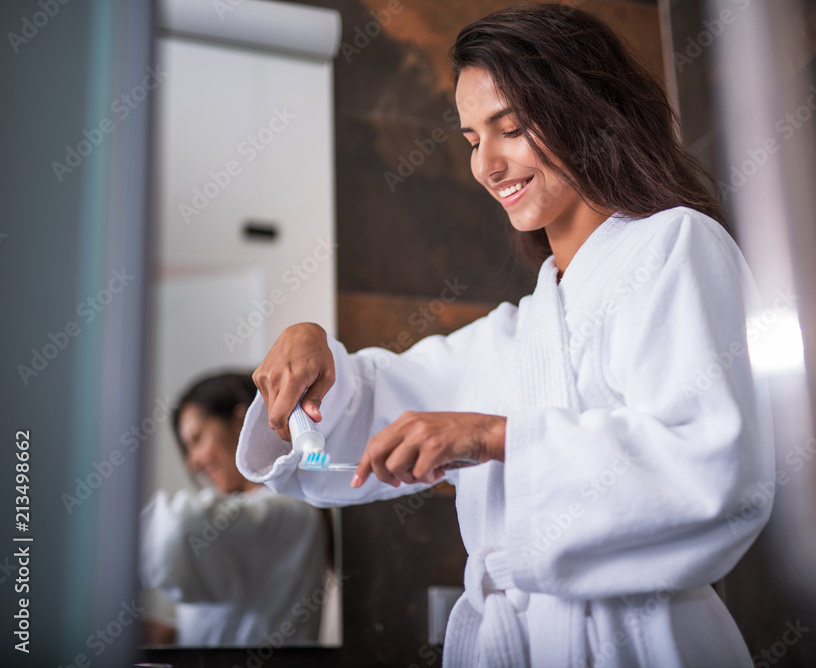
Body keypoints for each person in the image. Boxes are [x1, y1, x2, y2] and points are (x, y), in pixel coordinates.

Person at [236, 4, 774, 666]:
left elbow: (713, 466)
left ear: (588, 111)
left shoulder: (677, 246)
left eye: (510, 129)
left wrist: (493, 437)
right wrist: (312, 357)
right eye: (470, 140)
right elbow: (359, 427)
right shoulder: (514, 336)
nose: (486, 165)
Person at [140, 372, 331, 646]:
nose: (192, 464)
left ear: (241, 421)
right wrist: (174, 635)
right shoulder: (255, 515)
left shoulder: (288, 512)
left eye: (197, 439)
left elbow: (178, 531)